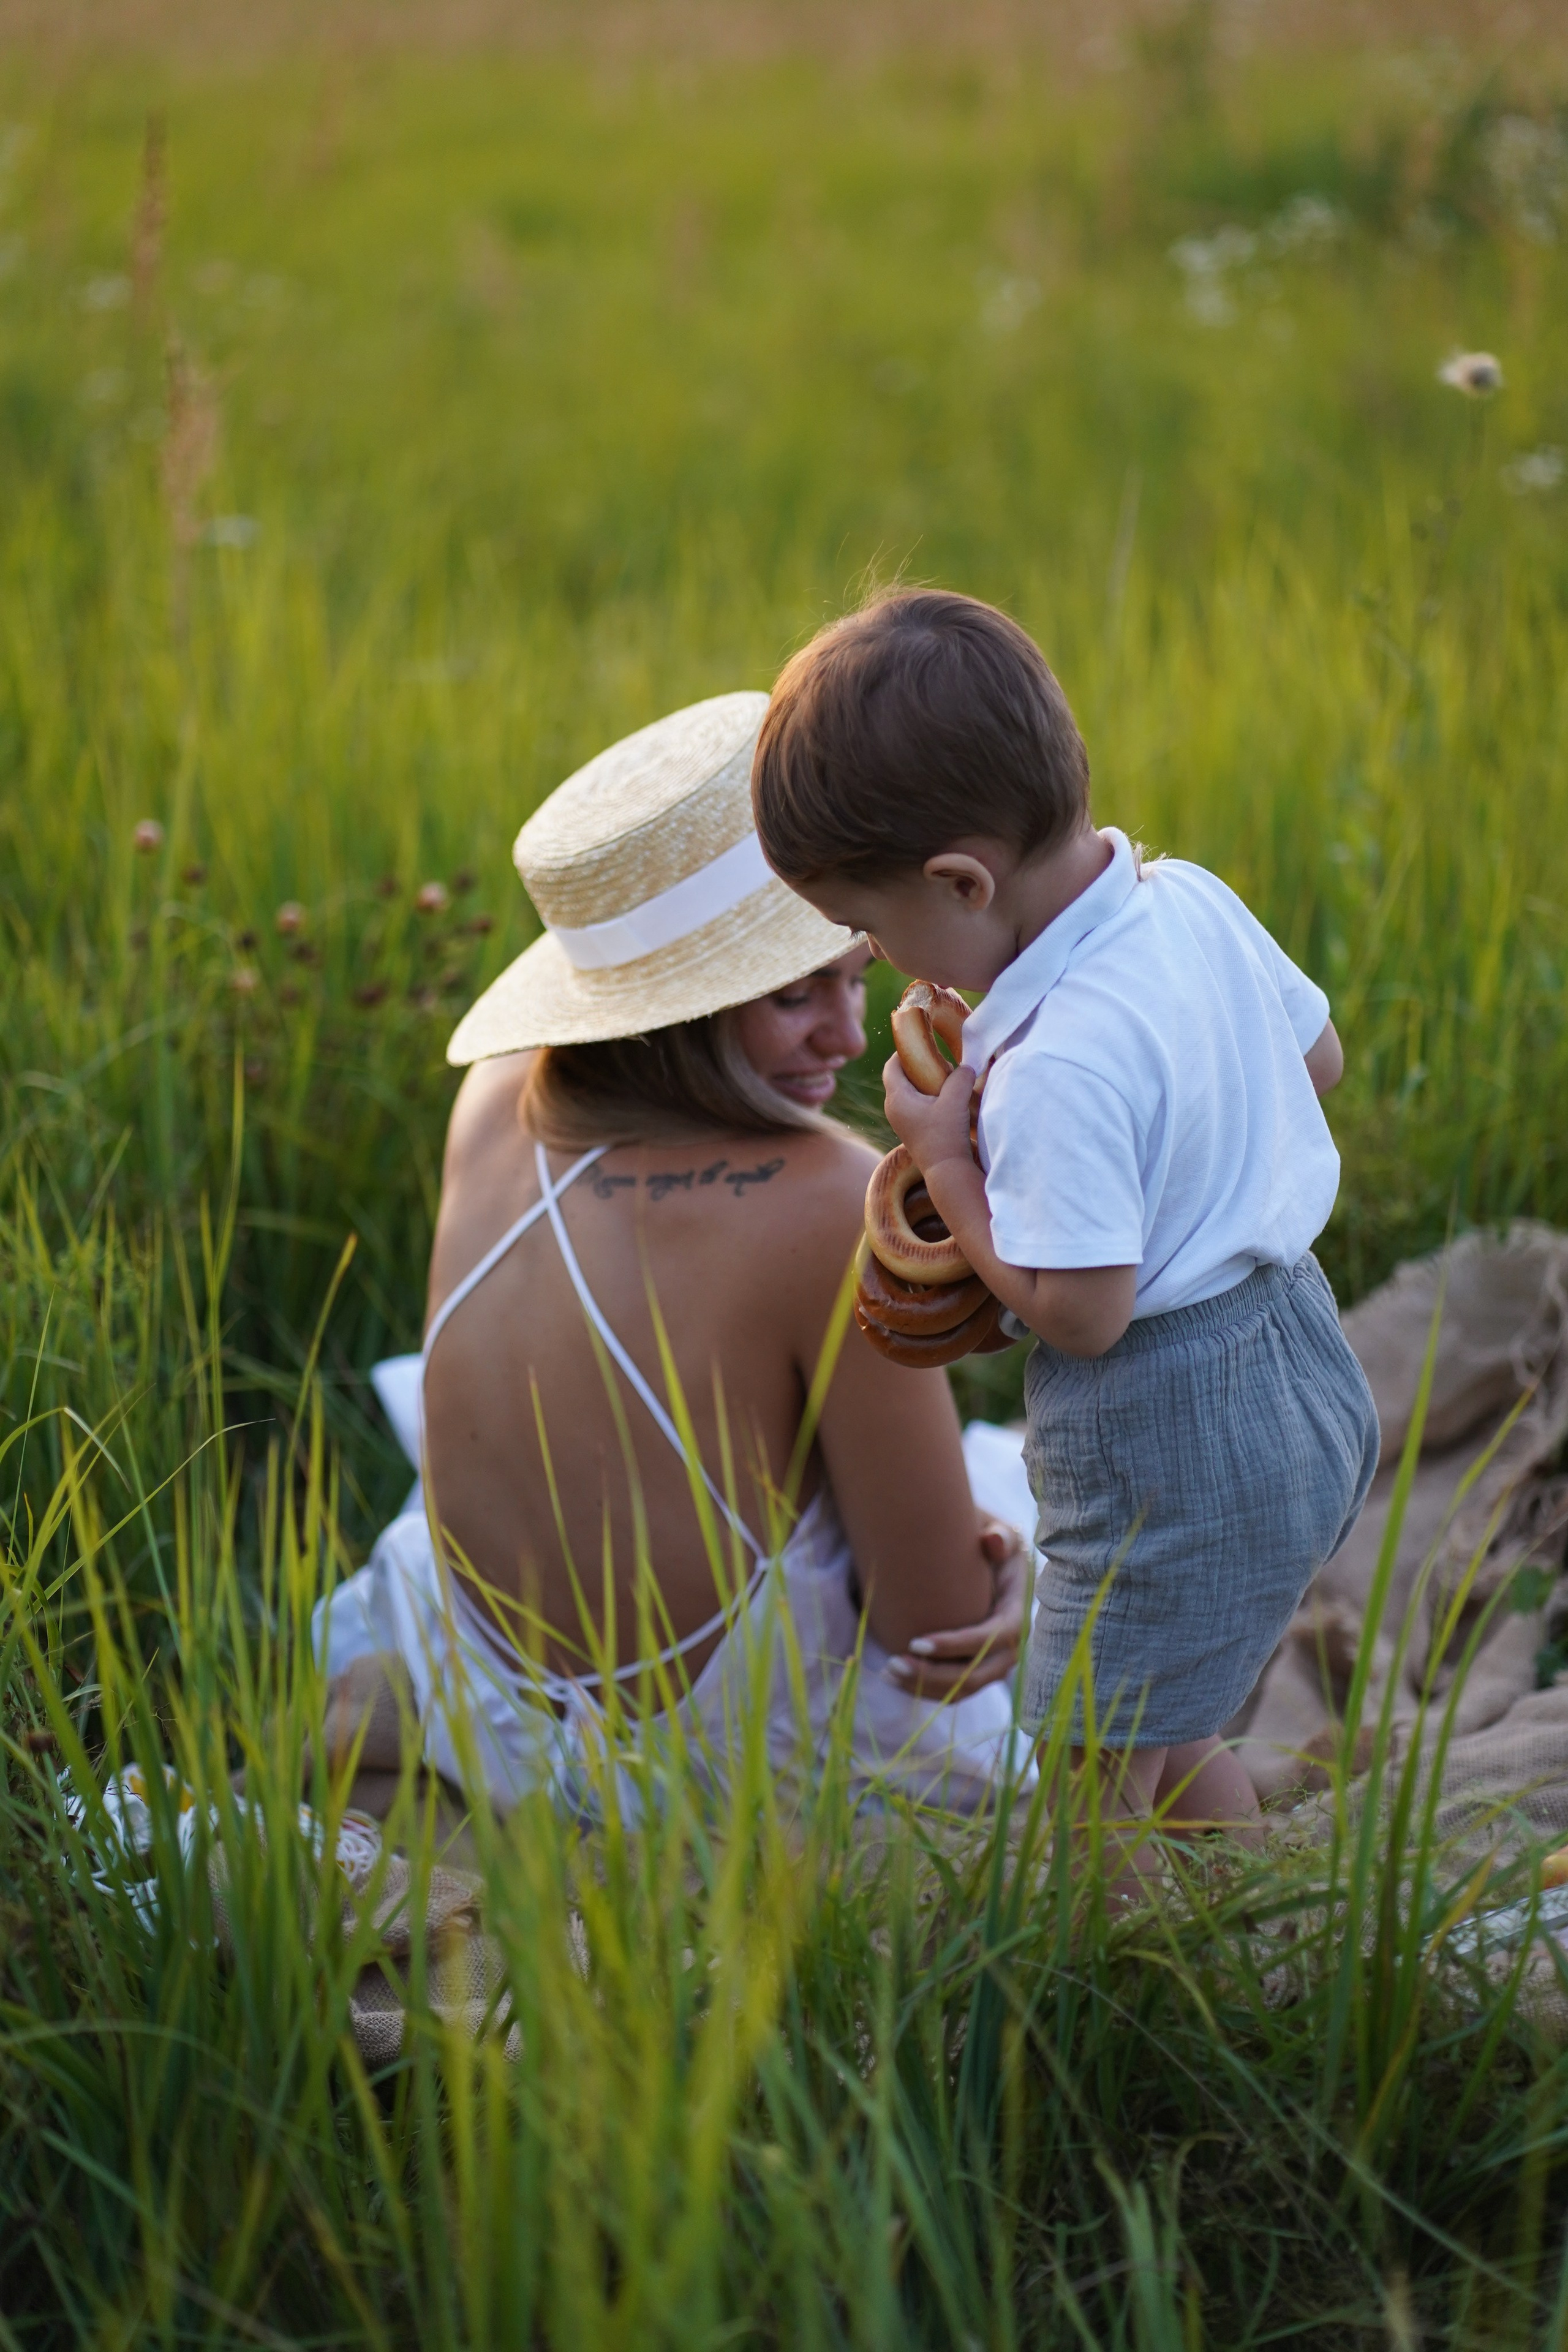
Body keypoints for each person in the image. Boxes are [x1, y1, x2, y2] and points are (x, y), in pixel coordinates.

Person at [316, 689, 1037, 1819]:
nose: (849, 1038)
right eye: (794, 993)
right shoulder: (825, 1203)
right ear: (675, 1010)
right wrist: (1015, 1587)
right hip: (715, 1769)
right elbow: (931, 1629)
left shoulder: (496, 1094)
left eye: (856, 973)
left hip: (488, 1716)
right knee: (1057, 1521)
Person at [751, 589, 1381, 1881]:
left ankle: (1112, 2011)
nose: (873, 958)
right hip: (1306, 1367)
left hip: (1168, 1425)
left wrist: (941, 1161)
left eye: (867, 926)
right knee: (1162, 1723)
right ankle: (1249, 1921)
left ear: (959, 881)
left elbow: (1078, 1310)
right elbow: (1312, 1059)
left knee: (1086, 1779)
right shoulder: (1190, 900)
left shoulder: (1052, 1066)